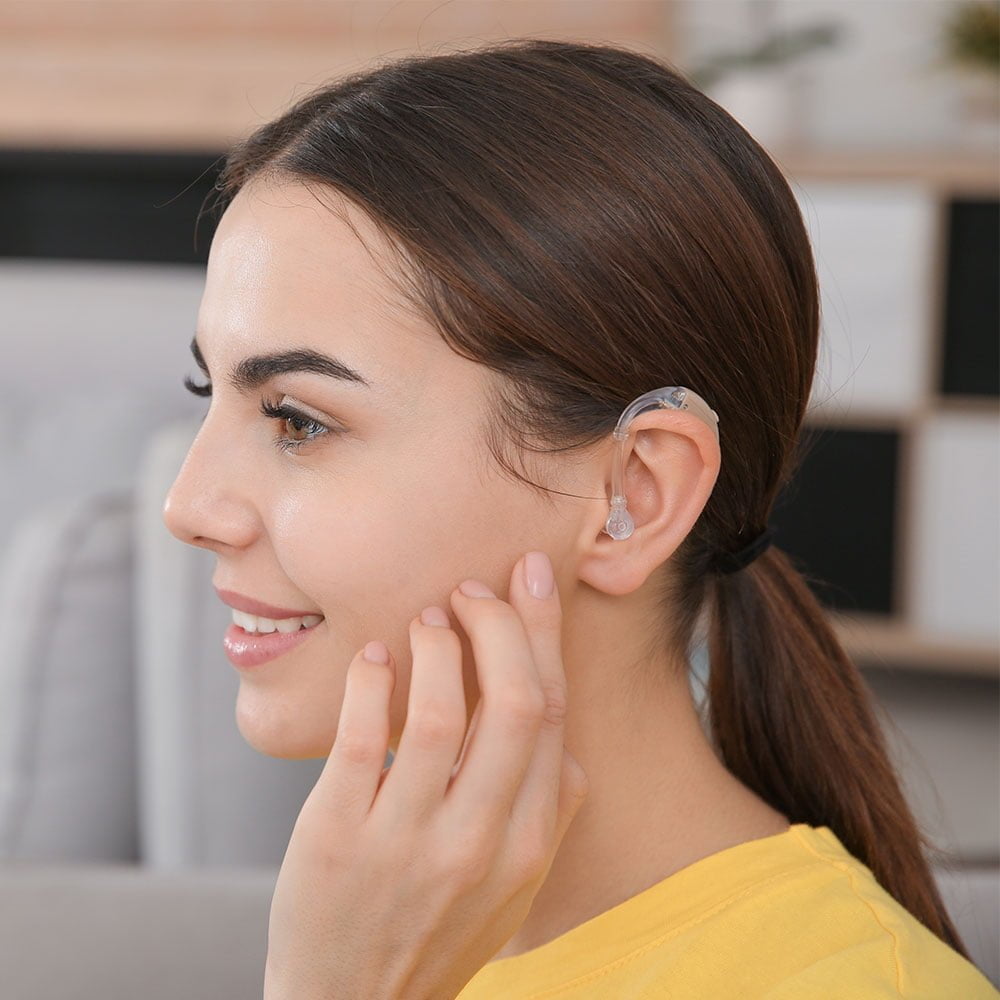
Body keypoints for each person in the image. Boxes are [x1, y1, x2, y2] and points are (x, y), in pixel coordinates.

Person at [162, 38, 997, 999]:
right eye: (205, 388)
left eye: (298, 420)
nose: (187, 508)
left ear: (633, 497)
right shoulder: (378, 924)